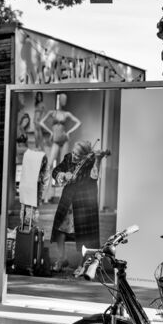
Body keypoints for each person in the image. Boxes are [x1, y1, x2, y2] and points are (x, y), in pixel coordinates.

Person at [50, 140, 106, 274]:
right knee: (60, 230)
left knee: (83, 235)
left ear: (85, 155)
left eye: (78, 155)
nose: (74, 156)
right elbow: (56, 170)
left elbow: (94, 176)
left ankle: (82, 264)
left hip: (83, 202)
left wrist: (98, 160)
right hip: (68, 199)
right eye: (74, 153)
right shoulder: (68, 158)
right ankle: (62, 258)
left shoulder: (91, 161)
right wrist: (62, 175)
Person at [40, 93, 81, 202]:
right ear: (59, 99)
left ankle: (63, 195)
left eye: (66, 99)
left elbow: (78, 122)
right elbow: (41, 122)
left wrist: (69, 132)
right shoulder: (52, 113)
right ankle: (45, 196)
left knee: (64, 165)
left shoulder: (66, 114)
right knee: (49, 165)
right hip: (56, 140)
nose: (64, 101)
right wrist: (50, 132)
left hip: (64, 139)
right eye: (63, 99)